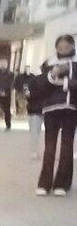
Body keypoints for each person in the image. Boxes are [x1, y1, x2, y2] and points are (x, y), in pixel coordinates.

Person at [37, 35, 77, 196]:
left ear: (73, 47)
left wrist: (65, 83)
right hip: (51, 109)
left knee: (67, 147)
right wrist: (53, 74)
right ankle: (44, 183)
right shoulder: (48, 63)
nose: (63, 50)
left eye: (66, 47)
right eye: (60, 48)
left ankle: (62, 183)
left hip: (70, 109)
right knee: (49, 147)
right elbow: (40, 85)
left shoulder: (75, 63)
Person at [19, 63, 51, 159]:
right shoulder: (56, 80)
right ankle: (50, 152)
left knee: (34, 132)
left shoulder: (34, 79)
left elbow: (28, 94)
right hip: (50, 108)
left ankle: (34, 151)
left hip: (35, 108)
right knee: (51, 133)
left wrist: (29, 97)